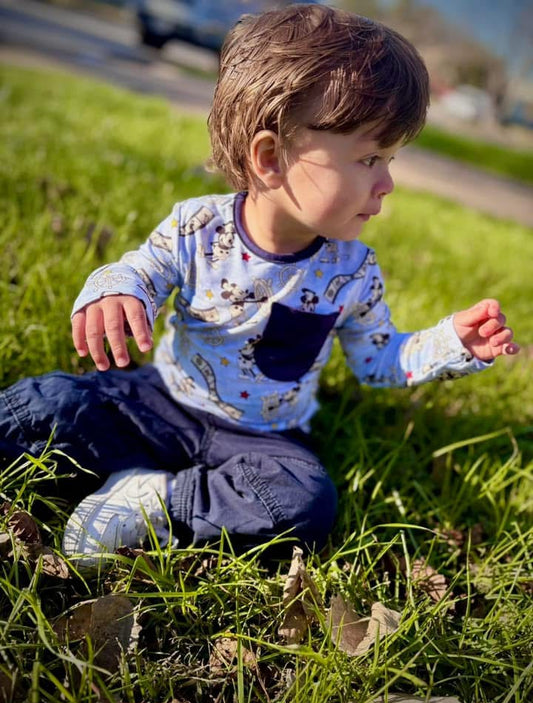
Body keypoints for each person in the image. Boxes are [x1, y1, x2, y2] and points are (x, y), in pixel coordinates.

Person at [0, 4, 519, 568]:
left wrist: (452, 345)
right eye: (370, 158)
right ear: (270, 158)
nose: (388, 183)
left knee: (305, 499)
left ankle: (158, 500)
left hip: (262, 440)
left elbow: (378, 360)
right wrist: (117, 290)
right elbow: (141, 271)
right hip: (162, 400)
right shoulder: (198, 227)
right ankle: (126, 466)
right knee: (40, 405)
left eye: (390, 159)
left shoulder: (353, 271)